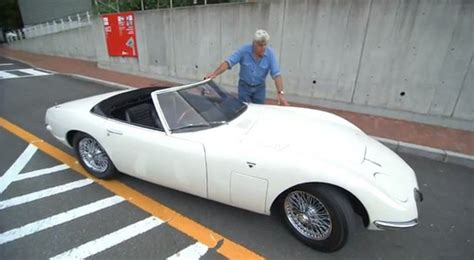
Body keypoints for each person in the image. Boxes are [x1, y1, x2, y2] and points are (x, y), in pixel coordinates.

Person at [205, 29, 289, 106]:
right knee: (243, 109)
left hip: (259, 88)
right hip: (244, 87)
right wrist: (214, 74)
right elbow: (228, 62)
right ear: (254, 44)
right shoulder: (244, 50)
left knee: (259, 111)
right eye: (260, 45)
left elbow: (276, 74)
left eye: (265, 45)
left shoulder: (270, 53)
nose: (263, 48)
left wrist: (280, 93)